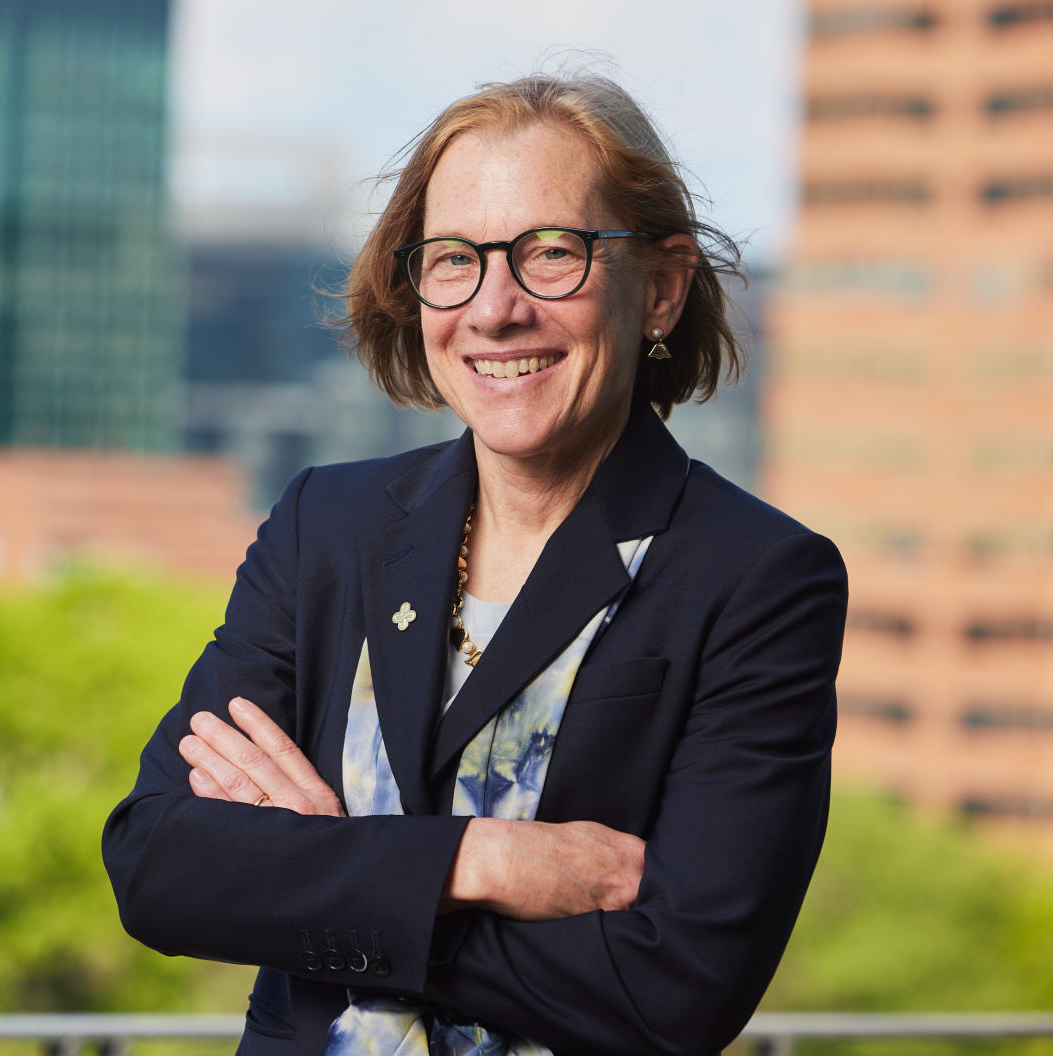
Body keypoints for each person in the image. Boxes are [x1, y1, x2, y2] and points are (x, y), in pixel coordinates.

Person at [101, 72, 846, 1056]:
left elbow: (674, 994)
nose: (495, 310)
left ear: (661, 289)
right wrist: (478, 860)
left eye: (551, 253)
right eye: (453, 260)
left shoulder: (755, 580)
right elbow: (160, 863)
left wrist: (328, 875)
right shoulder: (328, 528)